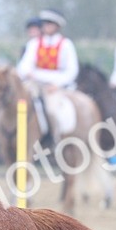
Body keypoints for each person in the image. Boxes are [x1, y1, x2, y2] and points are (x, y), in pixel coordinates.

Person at [16, 9, 79, 143]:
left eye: (50, 23)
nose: (46, 26)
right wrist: (28, 72)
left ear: (57, 26)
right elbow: (24, 66)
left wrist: (57, 85)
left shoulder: (66, 44)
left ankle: (54, 139)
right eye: (44, 23)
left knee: (52, 110)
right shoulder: (33, 44)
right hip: (34, 84)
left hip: (54, 87)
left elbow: (72, 71)